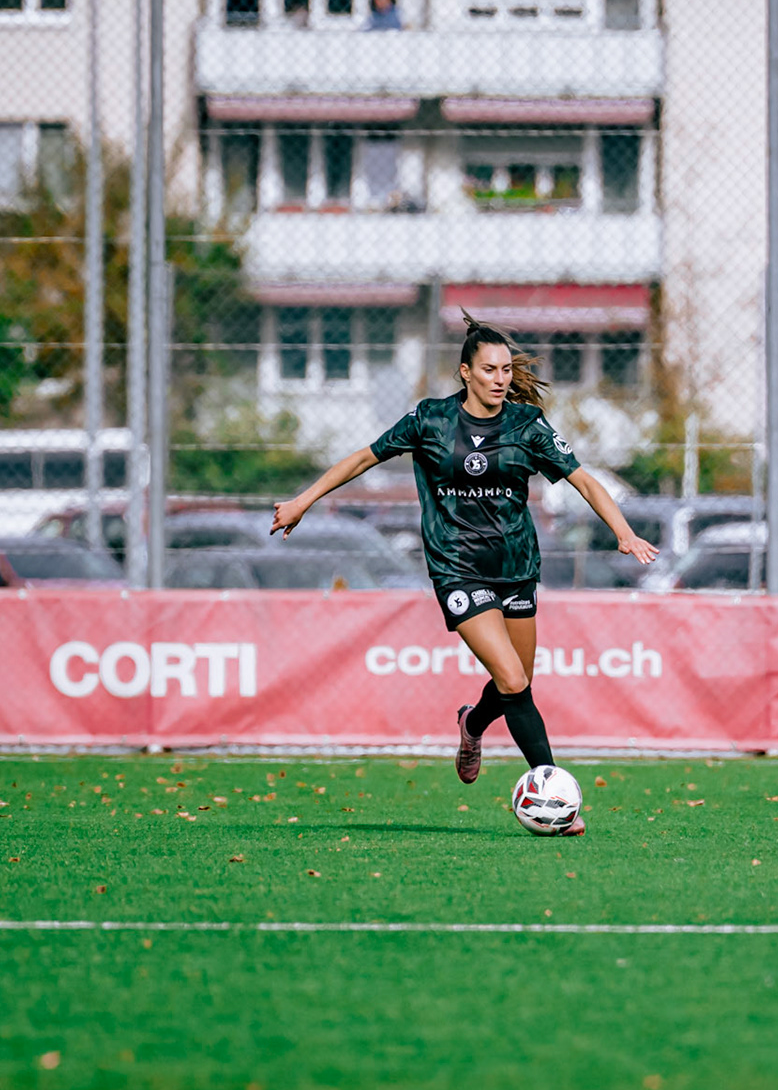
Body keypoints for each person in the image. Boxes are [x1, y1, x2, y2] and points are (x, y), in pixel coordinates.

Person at [272, 315, 657, 824]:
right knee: (514, 681)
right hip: (457, 568)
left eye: (505, 369)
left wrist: (623, 532)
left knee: (514, 683)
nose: (500, 378)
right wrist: (303, 500)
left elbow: (584, 481)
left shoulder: (526, 425)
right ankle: (554, 797)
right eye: (489, 369)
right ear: (465, 373)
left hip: (516, 566)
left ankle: (472, 723)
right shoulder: (430, 421)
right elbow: (363, 459)